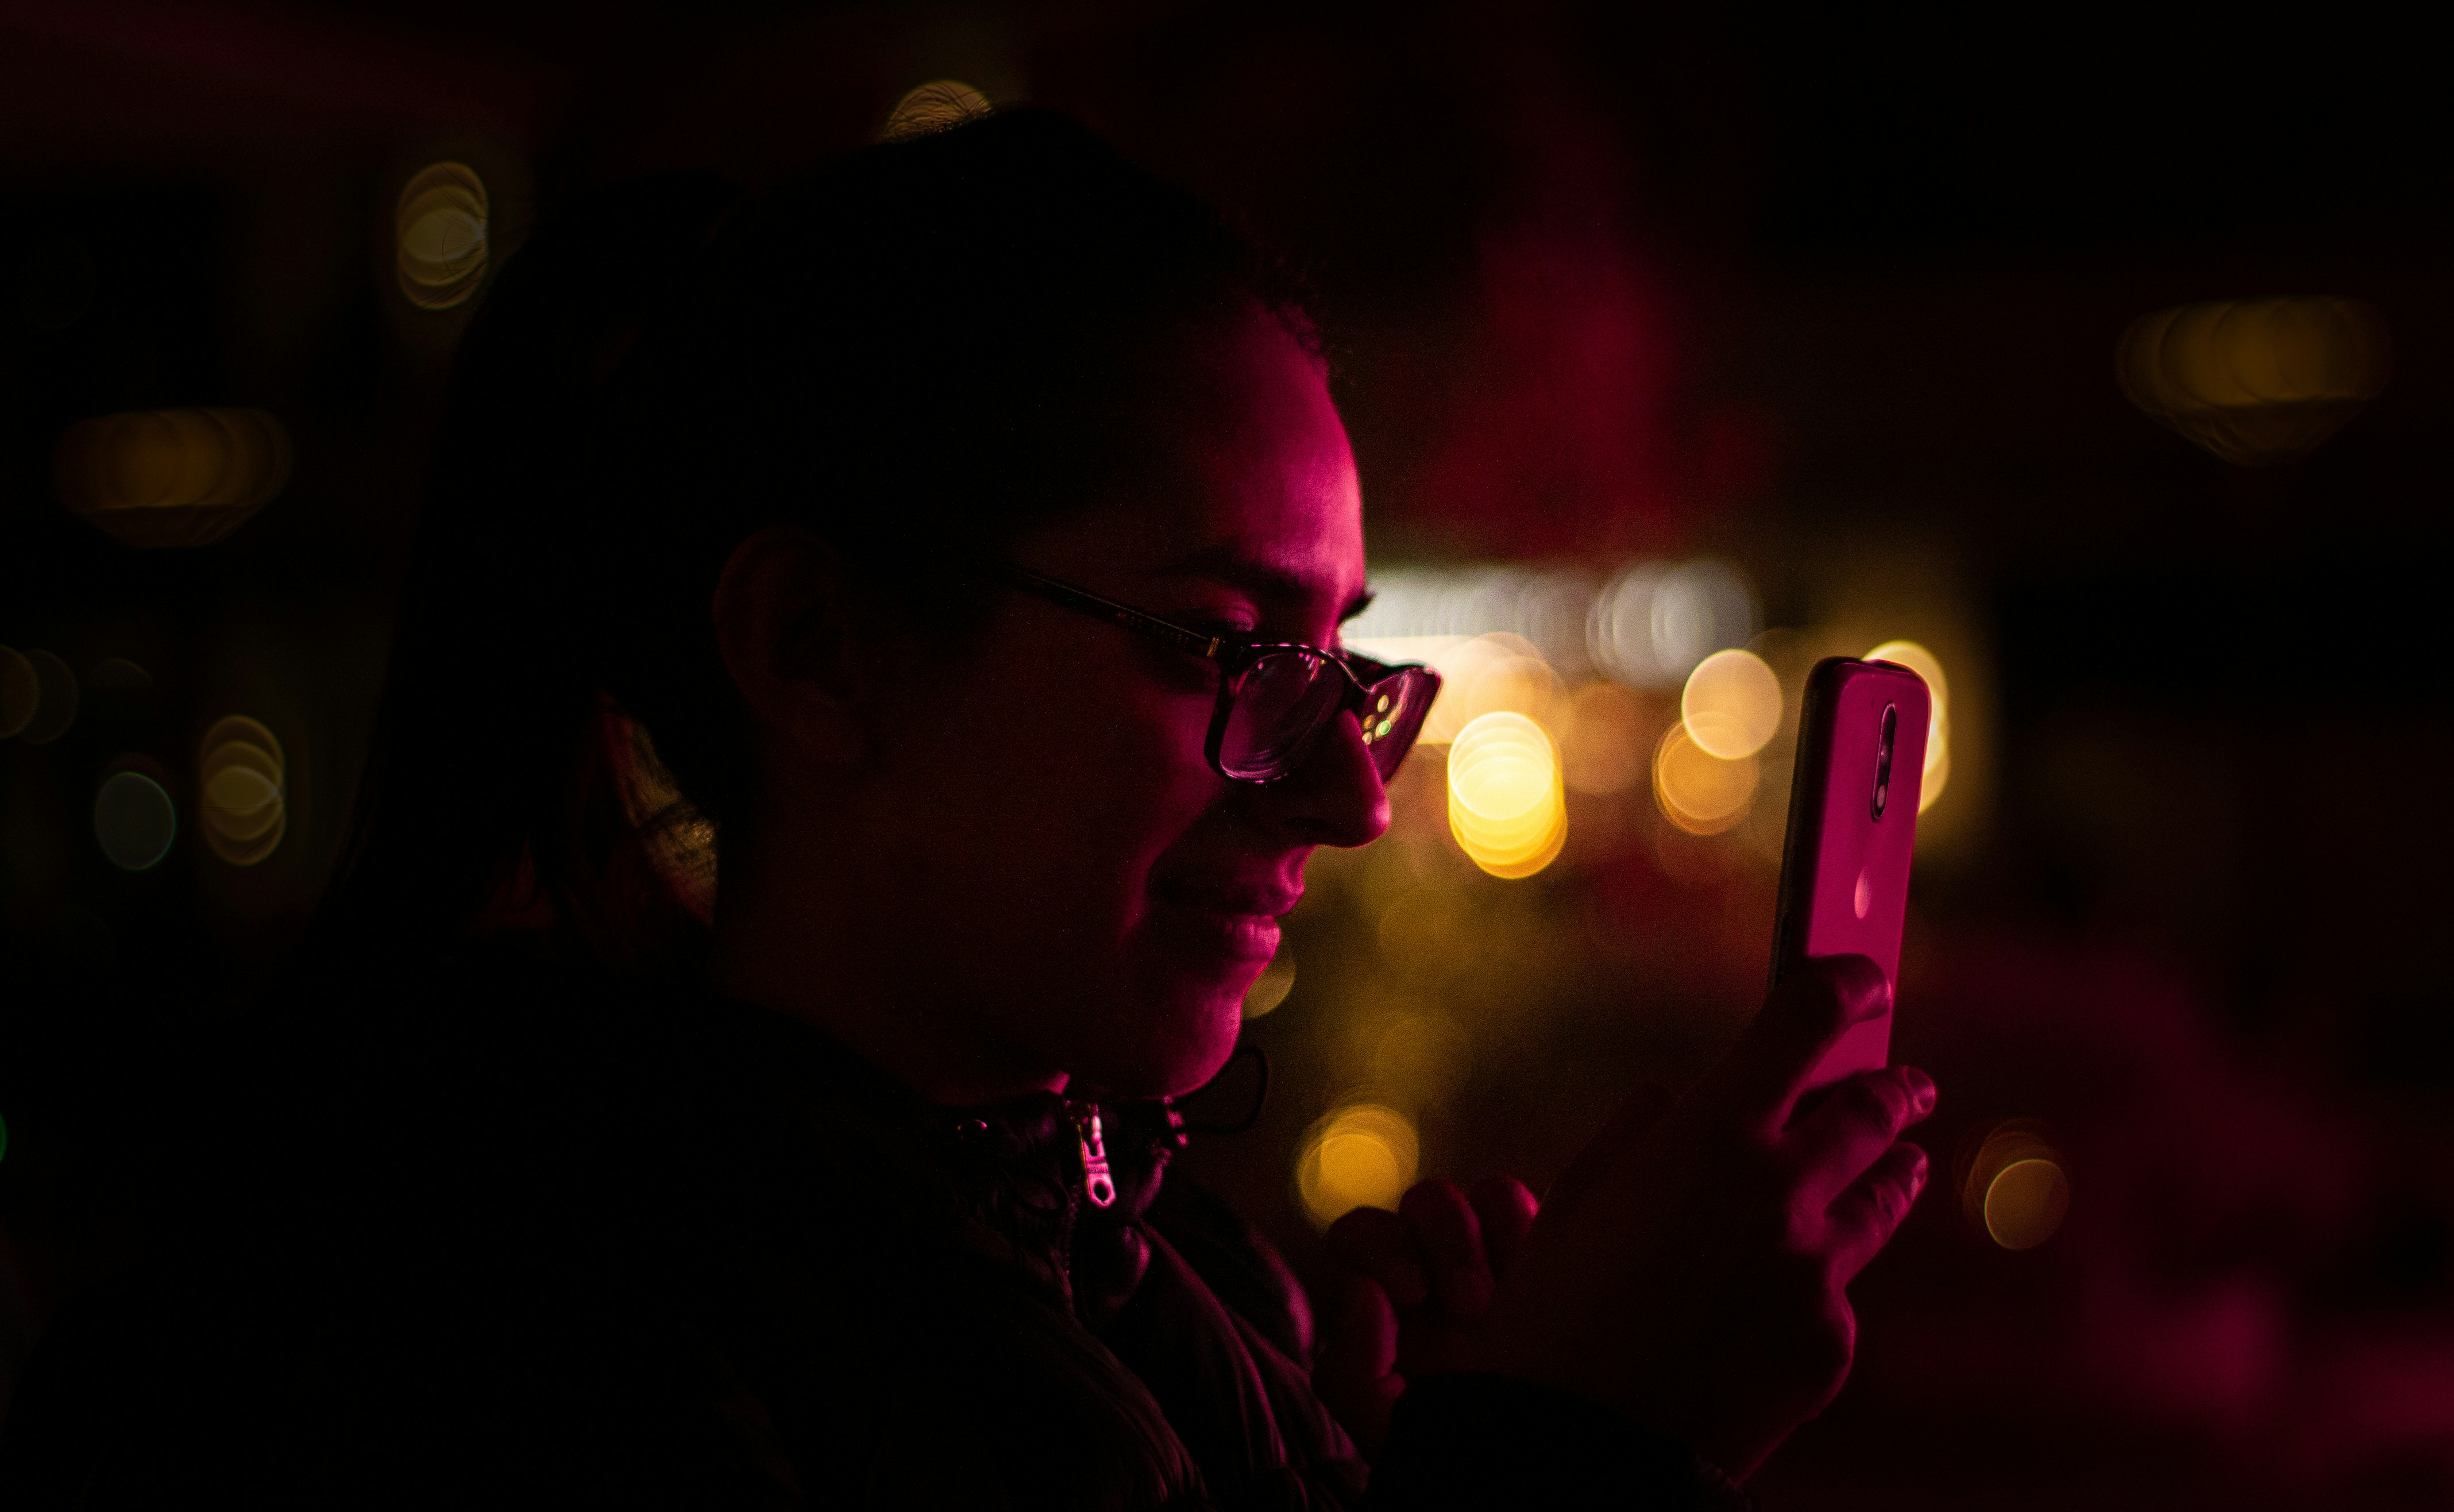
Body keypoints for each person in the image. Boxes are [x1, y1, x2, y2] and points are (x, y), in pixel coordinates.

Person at [0, 107, 1932, 1508]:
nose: (1348, 794)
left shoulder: (1118, 1275)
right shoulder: (503, 1347)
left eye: (1346, 666)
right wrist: (1576, 1451)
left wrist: (1355, 1436)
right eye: (1215, 647)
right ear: (820, 645)